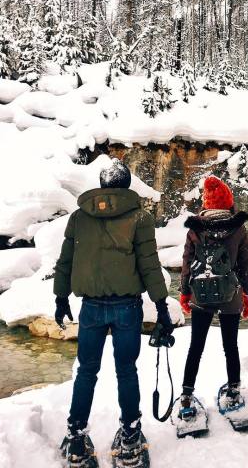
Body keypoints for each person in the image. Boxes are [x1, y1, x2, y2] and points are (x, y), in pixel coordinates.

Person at [53, 158, 174, 467]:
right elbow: (149, 265)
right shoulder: (139, 218)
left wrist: (61, 298)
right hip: (126, 308)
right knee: (126, 371)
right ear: (126, 186)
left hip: (91, 307)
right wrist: (161, 306)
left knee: (86, 371)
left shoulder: (80, 218)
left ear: (104, 186)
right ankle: (131, 438)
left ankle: (76, 437)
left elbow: (66, 259)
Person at [178, 175, 248, 418]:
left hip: (201, 295)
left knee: (195, 347)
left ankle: (187, 396)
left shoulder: (195, 229)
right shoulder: (238, 229)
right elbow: (245, 265)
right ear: (228, 202)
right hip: (230, 294)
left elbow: (187, 263)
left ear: (207, 203)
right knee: (230, 346)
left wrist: (184, 293)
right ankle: (233, 390)